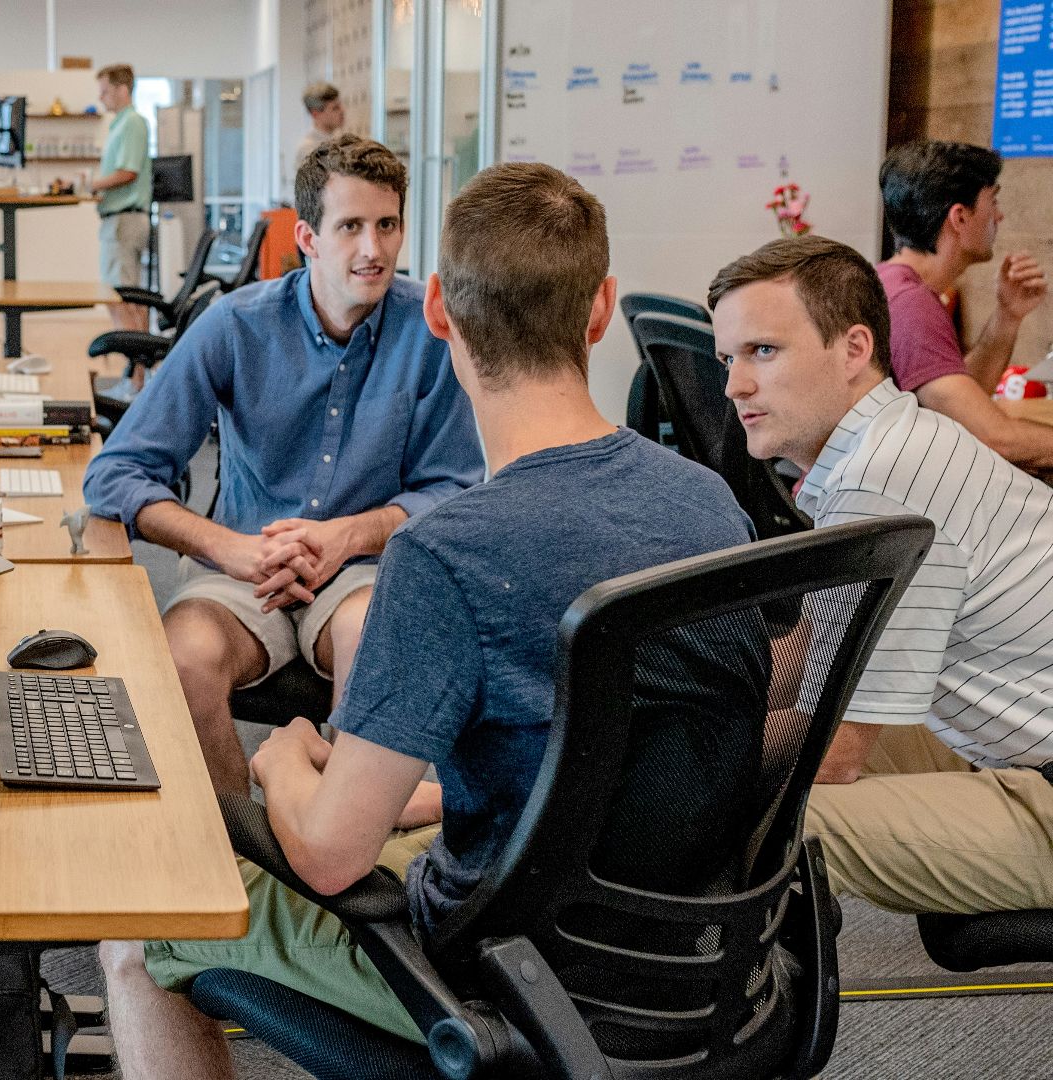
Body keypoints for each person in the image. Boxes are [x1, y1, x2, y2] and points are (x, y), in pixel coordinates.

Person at [98, 162, 756, 1079]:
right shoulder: (711, 504)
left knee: (134, 928)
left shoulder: (448, 555)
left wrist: (283, 759)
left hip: (499, 978)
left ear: (438, 307)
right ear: (601, 309)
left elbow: (329, 859)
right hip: (698, 963)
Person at [83, 134, 482, 797]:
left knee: (374, 644)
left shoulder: (433, 331)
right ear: (308, 236)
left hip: (362, 571)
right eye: (350, 226)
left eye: (387, 226)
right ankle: (244, 847)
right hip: (244, 568)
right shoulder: (235, 326)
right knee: (183, 658)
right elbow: (115, 473)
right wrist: (227, 548)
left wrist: (348, 536)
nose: (373, 250)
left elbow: (457, 489)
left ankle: (337, 844)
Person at [711, 234, 1053, 915]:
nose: (734, 385)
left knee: (770, 819)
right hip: (1019, 750)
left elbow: (834, 752)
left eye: (763, 352)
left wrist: (644, 765)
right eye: (729, 358)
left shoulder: (883, 479)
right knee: (725, 755)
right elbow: (814, 655)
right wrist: (674, 699)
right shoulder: (888, 445)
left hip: (1039, 783)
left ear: (855, 350)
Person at [876, 140, 1053, 469]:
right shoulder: (910, 304)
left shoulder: (895, 282)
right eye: (992, 200)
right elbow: (994, 437)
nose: (999, 215)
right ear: (959, 217)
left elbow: (958, 406)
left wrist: (1008, 315)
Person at [85, 63, 153, 333]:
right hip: (118, 220)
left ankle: (136, 373)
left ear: (122, 89)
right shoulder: (120, 124)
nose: (101, 98)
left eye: (105, 92)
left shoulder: (133, 123)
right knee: (123, 297)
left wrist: (93, 185)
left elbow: (129, 172)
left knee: (123, 299)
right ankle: (137, 370)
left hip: (125, 221)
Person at [294, 82, 345, 173]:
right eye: (335, 108)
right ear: (316, 114)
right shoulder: (307, 150)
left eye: (340, 105)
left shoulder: (342, 139)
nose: (342, 111)